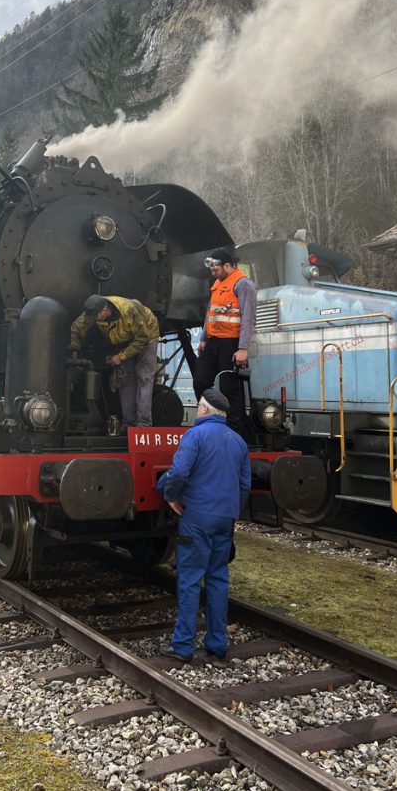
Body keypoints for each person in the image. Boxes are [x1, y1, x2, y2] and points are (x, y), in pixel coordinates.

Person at [156, 387, 251, 663]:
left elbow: (180, 472)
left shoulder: (194, 436)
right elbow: (244, 485)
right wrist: (234, 516)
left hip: (197, 518)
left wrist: (170, 495)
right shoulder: (238, 441)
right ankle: (217, 644)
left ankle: (183, 645)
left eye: (198, 406)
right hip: (225, 519)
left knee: (189, 581)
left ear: (205, 409)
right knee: (218, 579)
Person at [194, 246, 256, 436]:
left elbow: (248, 318)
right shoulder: (218, 284)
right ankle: (212, 420)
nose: (212, 272)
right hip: (213, 342)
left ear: (228, 266)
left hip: (231, 343)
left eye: (215, 268)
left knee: (230, 388)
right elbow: (210, 314)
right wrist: (204, 338)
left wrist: (243, 348)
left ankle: (235, 431)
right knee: (200, 381)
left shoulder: (243, 284)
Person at [71, 294, 159, 428]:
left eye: (96, 317)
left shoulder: (130, 310)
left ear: (105, 310)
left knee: (144, 377)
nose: (93, 320)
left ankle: (143, 422)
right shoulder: (93, 310)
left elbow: (143, 338)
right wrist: (74, 356)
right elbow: (75, 330)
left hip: (146, 336)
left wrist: (121, 356)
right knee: (125, 380)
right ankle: (128, 422)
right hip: (124, 340)